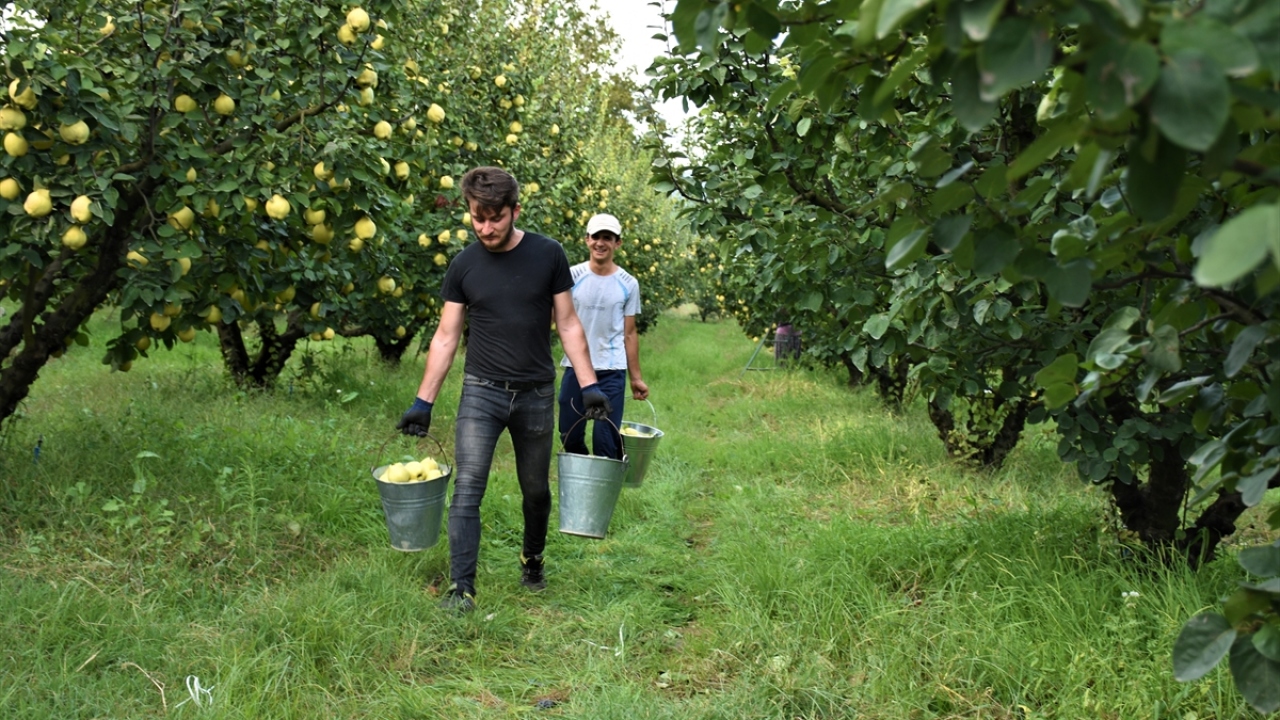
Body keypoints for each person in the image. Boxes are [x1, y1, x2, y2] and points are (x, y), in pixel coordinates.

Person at [396, 166, 610, 614]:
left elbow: (567, 323)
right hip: (482, 391)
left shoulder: (547, 254)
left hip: (534, 394)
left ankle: (532, 559)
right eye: (478, 218)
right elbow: (445, 336)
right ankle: (462, 588)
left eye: (496, 217)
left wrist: (589, 384)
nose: (486, 228)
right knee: (469, 485)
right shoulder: (464, 265)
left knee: (535, 488)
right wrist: (423, 401)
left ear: (515, 210)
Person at [558, 213, 649, 460]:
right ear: (587, 240)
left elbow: (629, 334)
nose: (601, 242)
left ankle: (604, 488)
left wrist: (636, 378)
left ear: (617, 243)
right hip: (575, 368)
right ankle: (587, 475)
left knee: (605, 440)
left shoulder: (628, 283)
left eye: (607, 237)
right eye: (596, 236)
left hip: (612, 369)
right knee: (569, 435)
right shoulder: (571, 276)